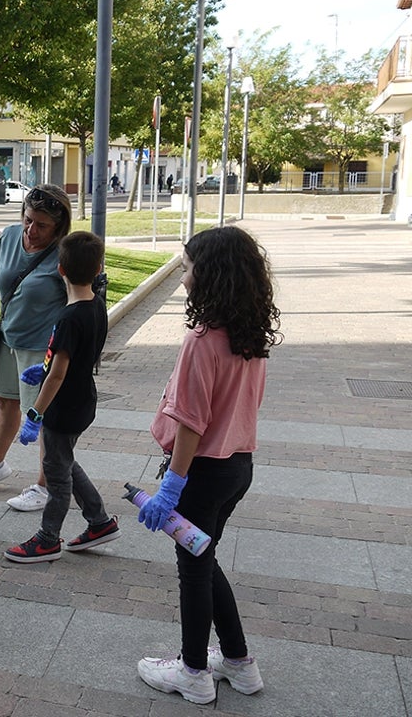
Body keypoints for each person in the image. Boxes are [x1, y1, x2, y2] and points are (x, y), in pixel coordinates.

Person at [135, 226, 281, 704]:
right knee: (204, 556)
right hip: (238, 467)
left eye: (188, 267)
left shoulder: (203, 339)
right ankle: (239, 664)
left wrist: (171, 488)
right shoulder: (249, 335)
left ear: (211, 274)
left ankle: (193, 671)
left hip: (202, 471)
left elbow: (191, 422)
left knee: (193, 569)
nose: (182, 276)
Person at [3, 231, 120, 563]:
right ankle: (98, 521)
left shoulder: (69, 318)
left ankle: (48, 538)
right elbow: (67, 360)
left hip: (63, 407)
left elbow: (58, 373)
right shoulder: (96, 306)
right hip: (83, 401)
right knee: (64, 460)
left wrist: (35, 413)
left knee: (56, 473)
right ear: (98, 269)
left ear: (60, 270)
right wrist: (40, 369)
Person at [0, 184, 71, 511]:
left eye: (42, 225)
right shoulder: (12, 236)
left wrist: (62, 353)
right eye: (28, 220)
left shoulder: (64, 254)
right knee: (6, 404)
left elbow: (78, 303)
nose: (32, 230)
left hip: (40, 349)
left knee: (44, 417)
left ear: (58, 226)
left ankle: (45, 487)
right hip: (9, 339)